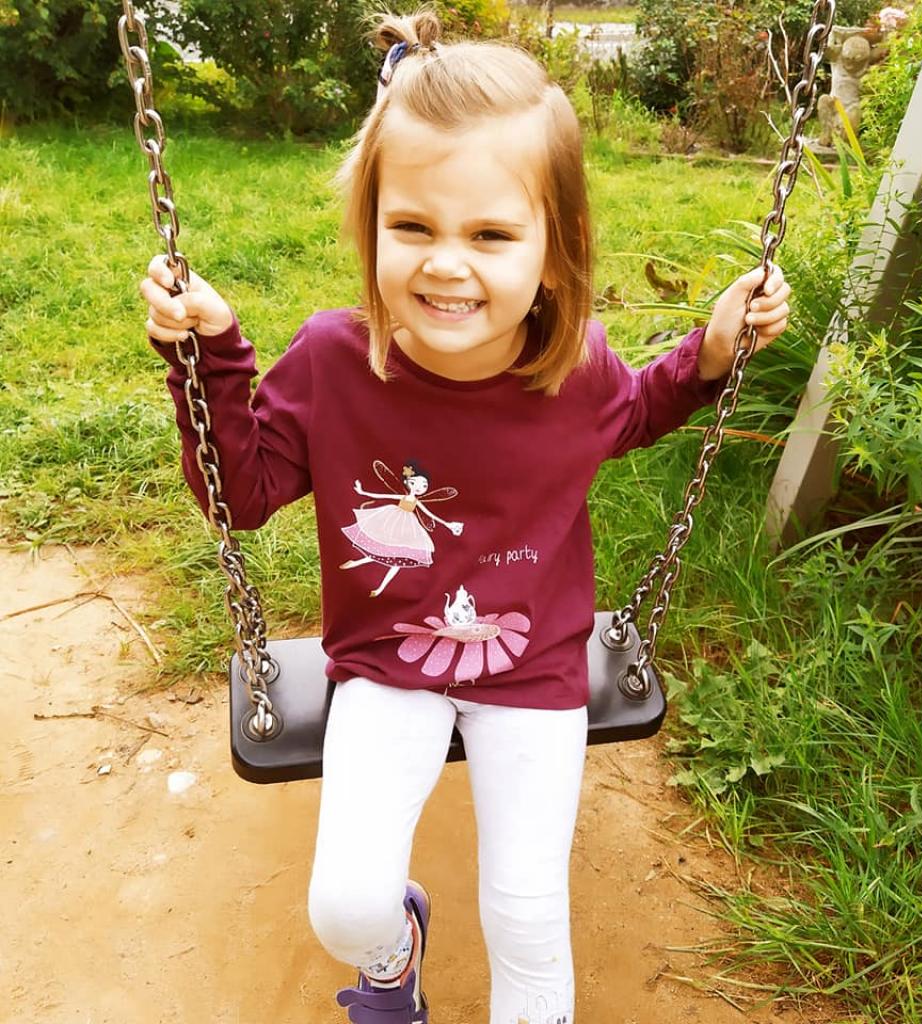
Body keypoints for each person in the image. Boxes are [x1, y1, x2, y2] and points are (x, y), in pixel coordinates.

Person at [139, 8, 792, 1023]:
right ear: (371, 225)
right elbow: (246, 492)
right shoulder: (333, 363)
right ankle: (394, 953)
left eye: (490, 234)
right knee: (345, 907)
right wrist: (209, 358)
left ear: (557, 249)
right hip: (384, 662)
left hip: (532, 671)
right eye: (413, 227)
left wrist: (708, 356)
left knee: (528, 920)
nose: (447, 263)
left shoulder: (575, 371)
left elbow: (638, 412)